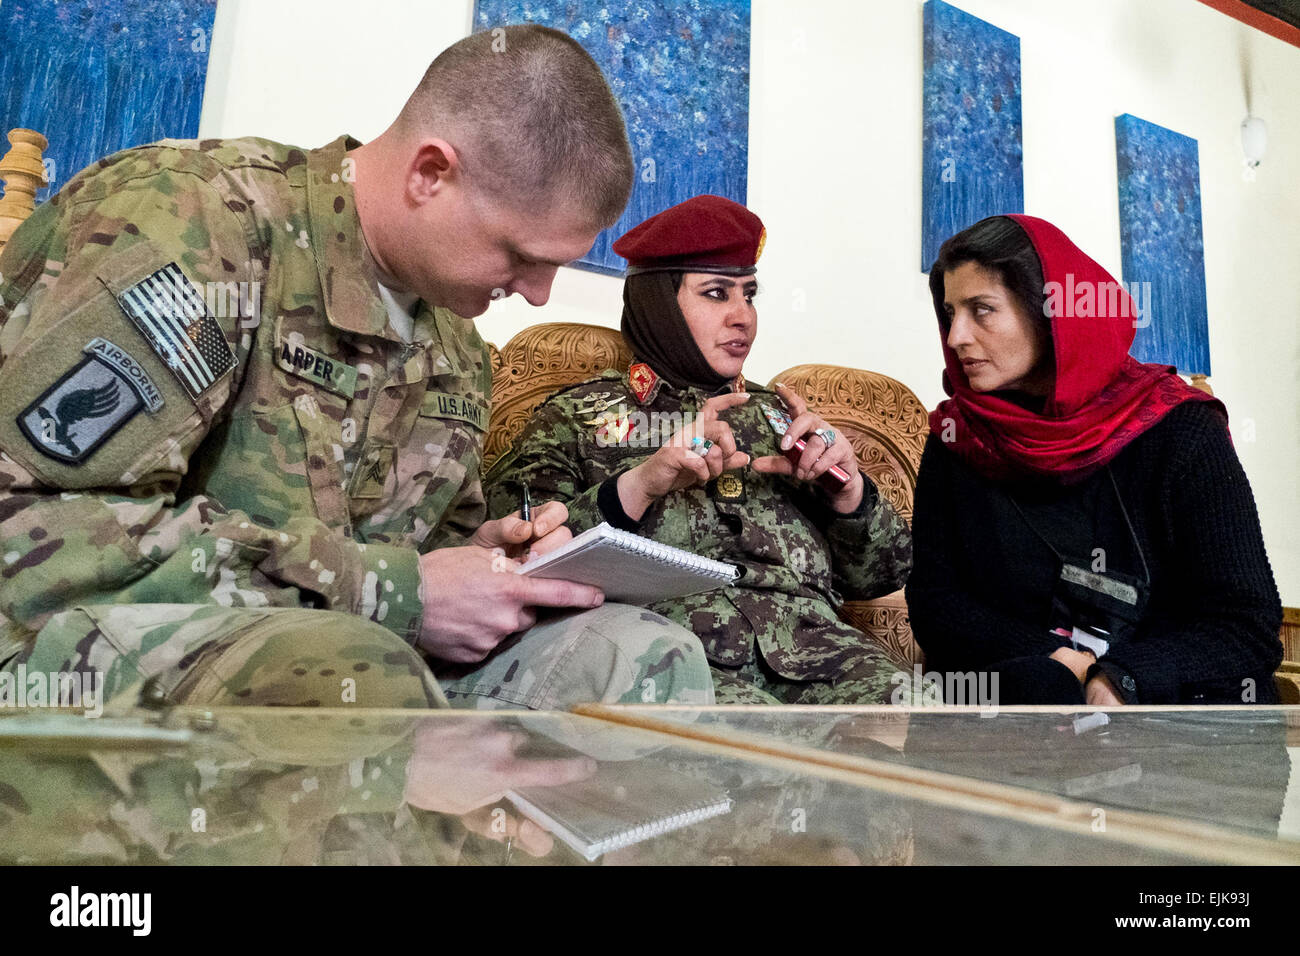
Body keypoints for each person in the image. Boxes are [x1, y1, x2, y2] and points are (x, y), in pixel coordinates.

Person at [0, 25, 713, 711]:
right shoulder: (195, 226)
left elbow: (429, 552)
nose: (537, 293)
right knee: (348, 669)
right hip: (83, 647)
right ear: (431, 174)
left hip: (360, 653)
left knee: (641, 660)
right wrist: (394, 592)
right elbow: (37, 531)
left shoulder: (456, 343)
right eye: (522, 256)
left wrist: (487, 561)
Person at [483, 195, 912, 705]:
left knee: (925, 728)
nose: (743, 318)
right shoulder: (583, 415)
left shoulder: (779, 417)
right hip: (672, 657)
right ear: (658, 304)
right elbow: (513, 555)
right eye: (716, 294)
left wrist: (850, 493)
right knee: (758, 753)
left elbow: (881, 577)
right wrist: (639, 484)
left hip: (820, 653)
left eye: (749, 295)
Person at [905, 214, 1282, 705]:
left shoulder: (1179, 429)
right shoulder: (958, 438)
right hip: (1027, 718)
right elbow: (937, 604)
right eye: (951, 312)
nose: (956, 337)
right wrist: (1058, 662)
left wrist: (1122, 677)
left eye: (982, 310)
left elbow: (1245, 622)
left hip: (1167, 719)